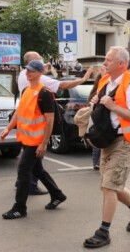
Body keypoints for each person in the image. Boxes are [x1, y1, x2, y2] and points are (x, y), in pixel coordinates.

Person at [83, 46, 130, 249]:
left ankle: (103, 232)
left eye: (109, 60)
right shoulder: (105, 81)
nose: (104, 63)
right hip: (106, 140)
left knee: (109, 187)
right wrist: (97, 102)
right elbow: (104, 105)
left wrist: (113, 107)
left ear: (122, 64)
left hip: (125, 141)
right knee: (110, 186)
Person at [17, 51, 94, 195]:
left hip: (28, 127)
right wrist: (83, 79)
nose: (42, 59)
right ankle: (32, 188)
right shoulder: (39, 81)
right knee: (32, 162)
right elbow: (63, 85)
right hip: (36, 126)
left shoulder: (23, 75)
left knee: (31, 162)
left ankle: (46, 191)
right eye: (38, 59)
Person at [1, 59, 67, 220]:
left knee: (23, 171)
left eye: (32, 71)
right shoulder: (26, 91)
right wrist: (8, 128)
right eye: (27, 70)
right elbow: (18, 113)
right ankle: (57, 194)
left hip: (36, 141)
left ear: (40, 73)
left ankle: (19, 208)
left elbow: (50, 120)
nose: (28, 73)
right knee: (37, 169)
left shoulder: (44, 94)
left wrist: (44, 143)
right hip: (26, 139)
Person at [86, 67, 107, 170]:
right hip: (98, 119)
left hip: (97, 120)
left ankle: (96, 162)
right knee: (98, 141)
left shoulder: (96, 90)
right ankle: (97, 162)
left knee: (98, 140)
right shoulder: (98, 91)